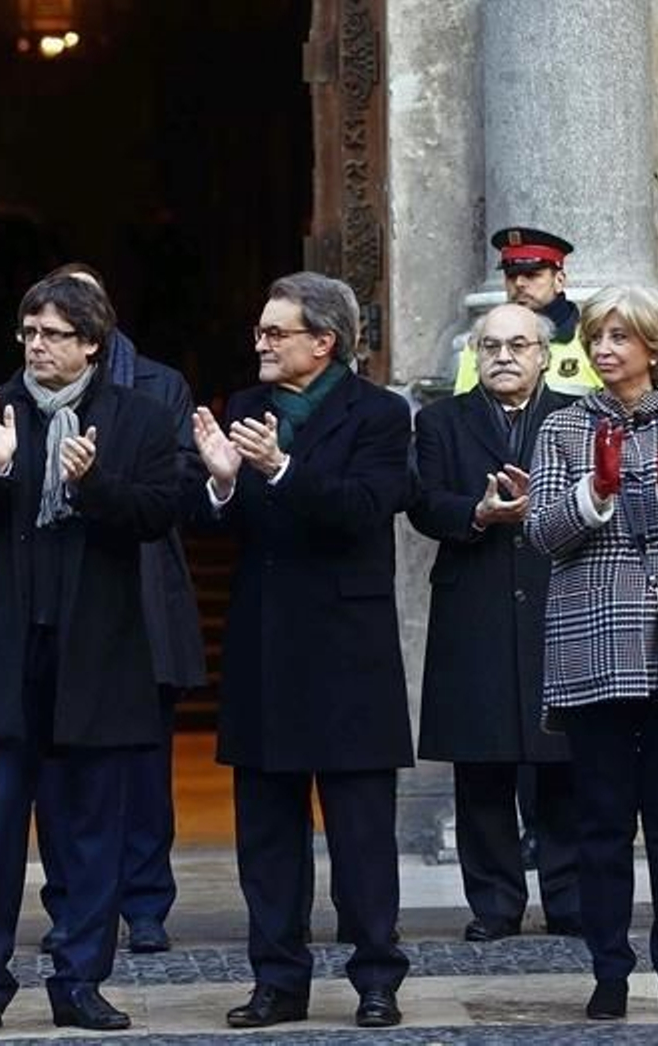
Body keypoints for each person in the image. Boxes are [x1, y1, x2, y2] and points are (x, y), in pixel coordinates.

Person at [0, 275, 178, 1036]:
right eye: (29, 332)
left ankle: (80, 979)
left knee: (91, 831)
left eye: (52, 334)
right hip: (9, 653)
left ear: (91, 345)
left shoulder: (135, 416)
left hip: (97, 656)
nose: (37, 346)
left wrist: (93, 482)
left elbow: (159, 514)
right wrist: (0, 466)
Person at [193, 272, 412, 1030]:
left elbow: (362, 511)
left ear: (324, 342)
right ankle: (277, 981)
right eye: (259, 331)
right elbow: (226, 526)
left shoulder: (381, 415)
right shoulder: (246, 408)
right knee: (267, 833)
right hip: (266, 644)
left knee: (360, 833)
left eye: (274, 332)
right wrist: (222, 485)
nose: (259, 342)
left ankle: (377, 976)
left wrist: (282, 469)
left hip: (349, 650)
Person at [528, 286, 658, 1021]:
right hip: (594, 645)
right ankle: (610, 972)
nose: (604, 348)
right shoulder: (563, 426)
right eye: (597, 336)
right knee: (603, 820)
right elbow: (543, 534)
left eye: (619, 336)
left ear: (654, 346)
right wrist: (595, 490)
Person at [35, 263, 205, 956]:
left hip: (142, 588)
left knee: (143, 765)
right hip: (60, 598)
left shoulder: (161, 385)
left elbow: (182, 483)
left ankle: (144, 902)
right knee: (59, 767)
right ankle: (70, 901)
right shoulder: (30, 392)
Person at [409, 303, 580, 942]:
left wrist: (547, 511)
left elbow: (600, 495)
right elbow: (423, 502)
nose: (503, 357)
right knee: (481, 768)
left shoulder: (576, 415)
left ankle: (570, 900)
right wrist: (478, 514)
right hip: (473, 603)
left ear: (543, 354)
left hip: (556, 599)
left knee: (564, 760)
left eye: (517, 345)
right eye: (490, 346)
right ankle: (494, 906)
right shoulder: (439, 421)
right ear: (473, 356)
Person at [453, 227, 601, 397]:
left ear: (559, 280)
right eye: (511, 275)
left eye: (531, 274)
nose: (519, 283)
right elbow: (463, 414)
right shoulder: (482, 343)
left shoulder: (592, 341)